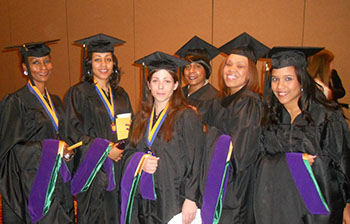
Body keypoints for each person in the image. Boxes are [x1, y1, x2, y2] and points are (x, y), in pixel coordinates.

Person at [255, 47, 350, 224]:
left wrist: (347, 205)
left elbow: (343, 163)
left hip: (319, 210)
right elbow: (260, 159)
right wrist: (292, 162)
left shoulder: (326, 116)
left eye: (288, 79)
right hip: (281, 207)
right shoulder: (269, 118)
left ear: (302, 81)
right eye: (275, 79)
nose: (280, 86)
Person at [121, 51, 204, 224]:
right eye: (155, 81)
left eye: (167, 81)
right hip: (147, 198)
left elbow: (197, 160)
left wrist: (191, 198)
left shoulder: (186, 116)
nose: (160, 87)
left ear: (175, 85)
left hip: (175, 197)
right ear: (148, 85)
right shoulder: (141, 118)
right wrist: (141, 161)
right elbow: (128, 151)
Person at [0, 40, 74, 223]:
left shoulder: (56, 101)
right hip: (36, 184)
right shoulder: (15, 102)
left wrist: (66, 152)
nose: (43, 67)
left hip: (59, 179)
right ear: (25, 67)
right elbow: (10, 150)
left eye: (46, 61)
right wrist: (50, 148)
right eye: (35, 62)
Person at [64, 33, 133, 224]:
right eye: (97, 59)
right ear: (89, 64)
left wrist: (120, 150)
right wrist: (104, 150)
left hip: (118, 168)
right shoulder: (78, 93)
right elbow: (72, 132)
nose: (103, 65)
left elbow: (128, 127)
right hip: (93, 172)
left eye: (108, 59)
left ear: (114, 63)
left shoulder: (120, 95)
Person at [202, 32, 269, 224]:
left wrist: (207, 132)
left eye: (240, 66)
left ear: (251, 73)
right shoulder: (225, 101)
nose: (231, 70)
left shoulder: (248, 102)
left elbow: (240, 153)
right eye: (228, 64)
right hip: (221, 183)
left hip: (235, 189)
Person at [175, 36, 220, 123]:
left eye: (197, 66)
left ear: (206, 69)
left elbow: (219, 132)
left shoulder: (216, 99)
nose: (191, 71)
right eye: (187, 67)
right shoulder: (177, 94)